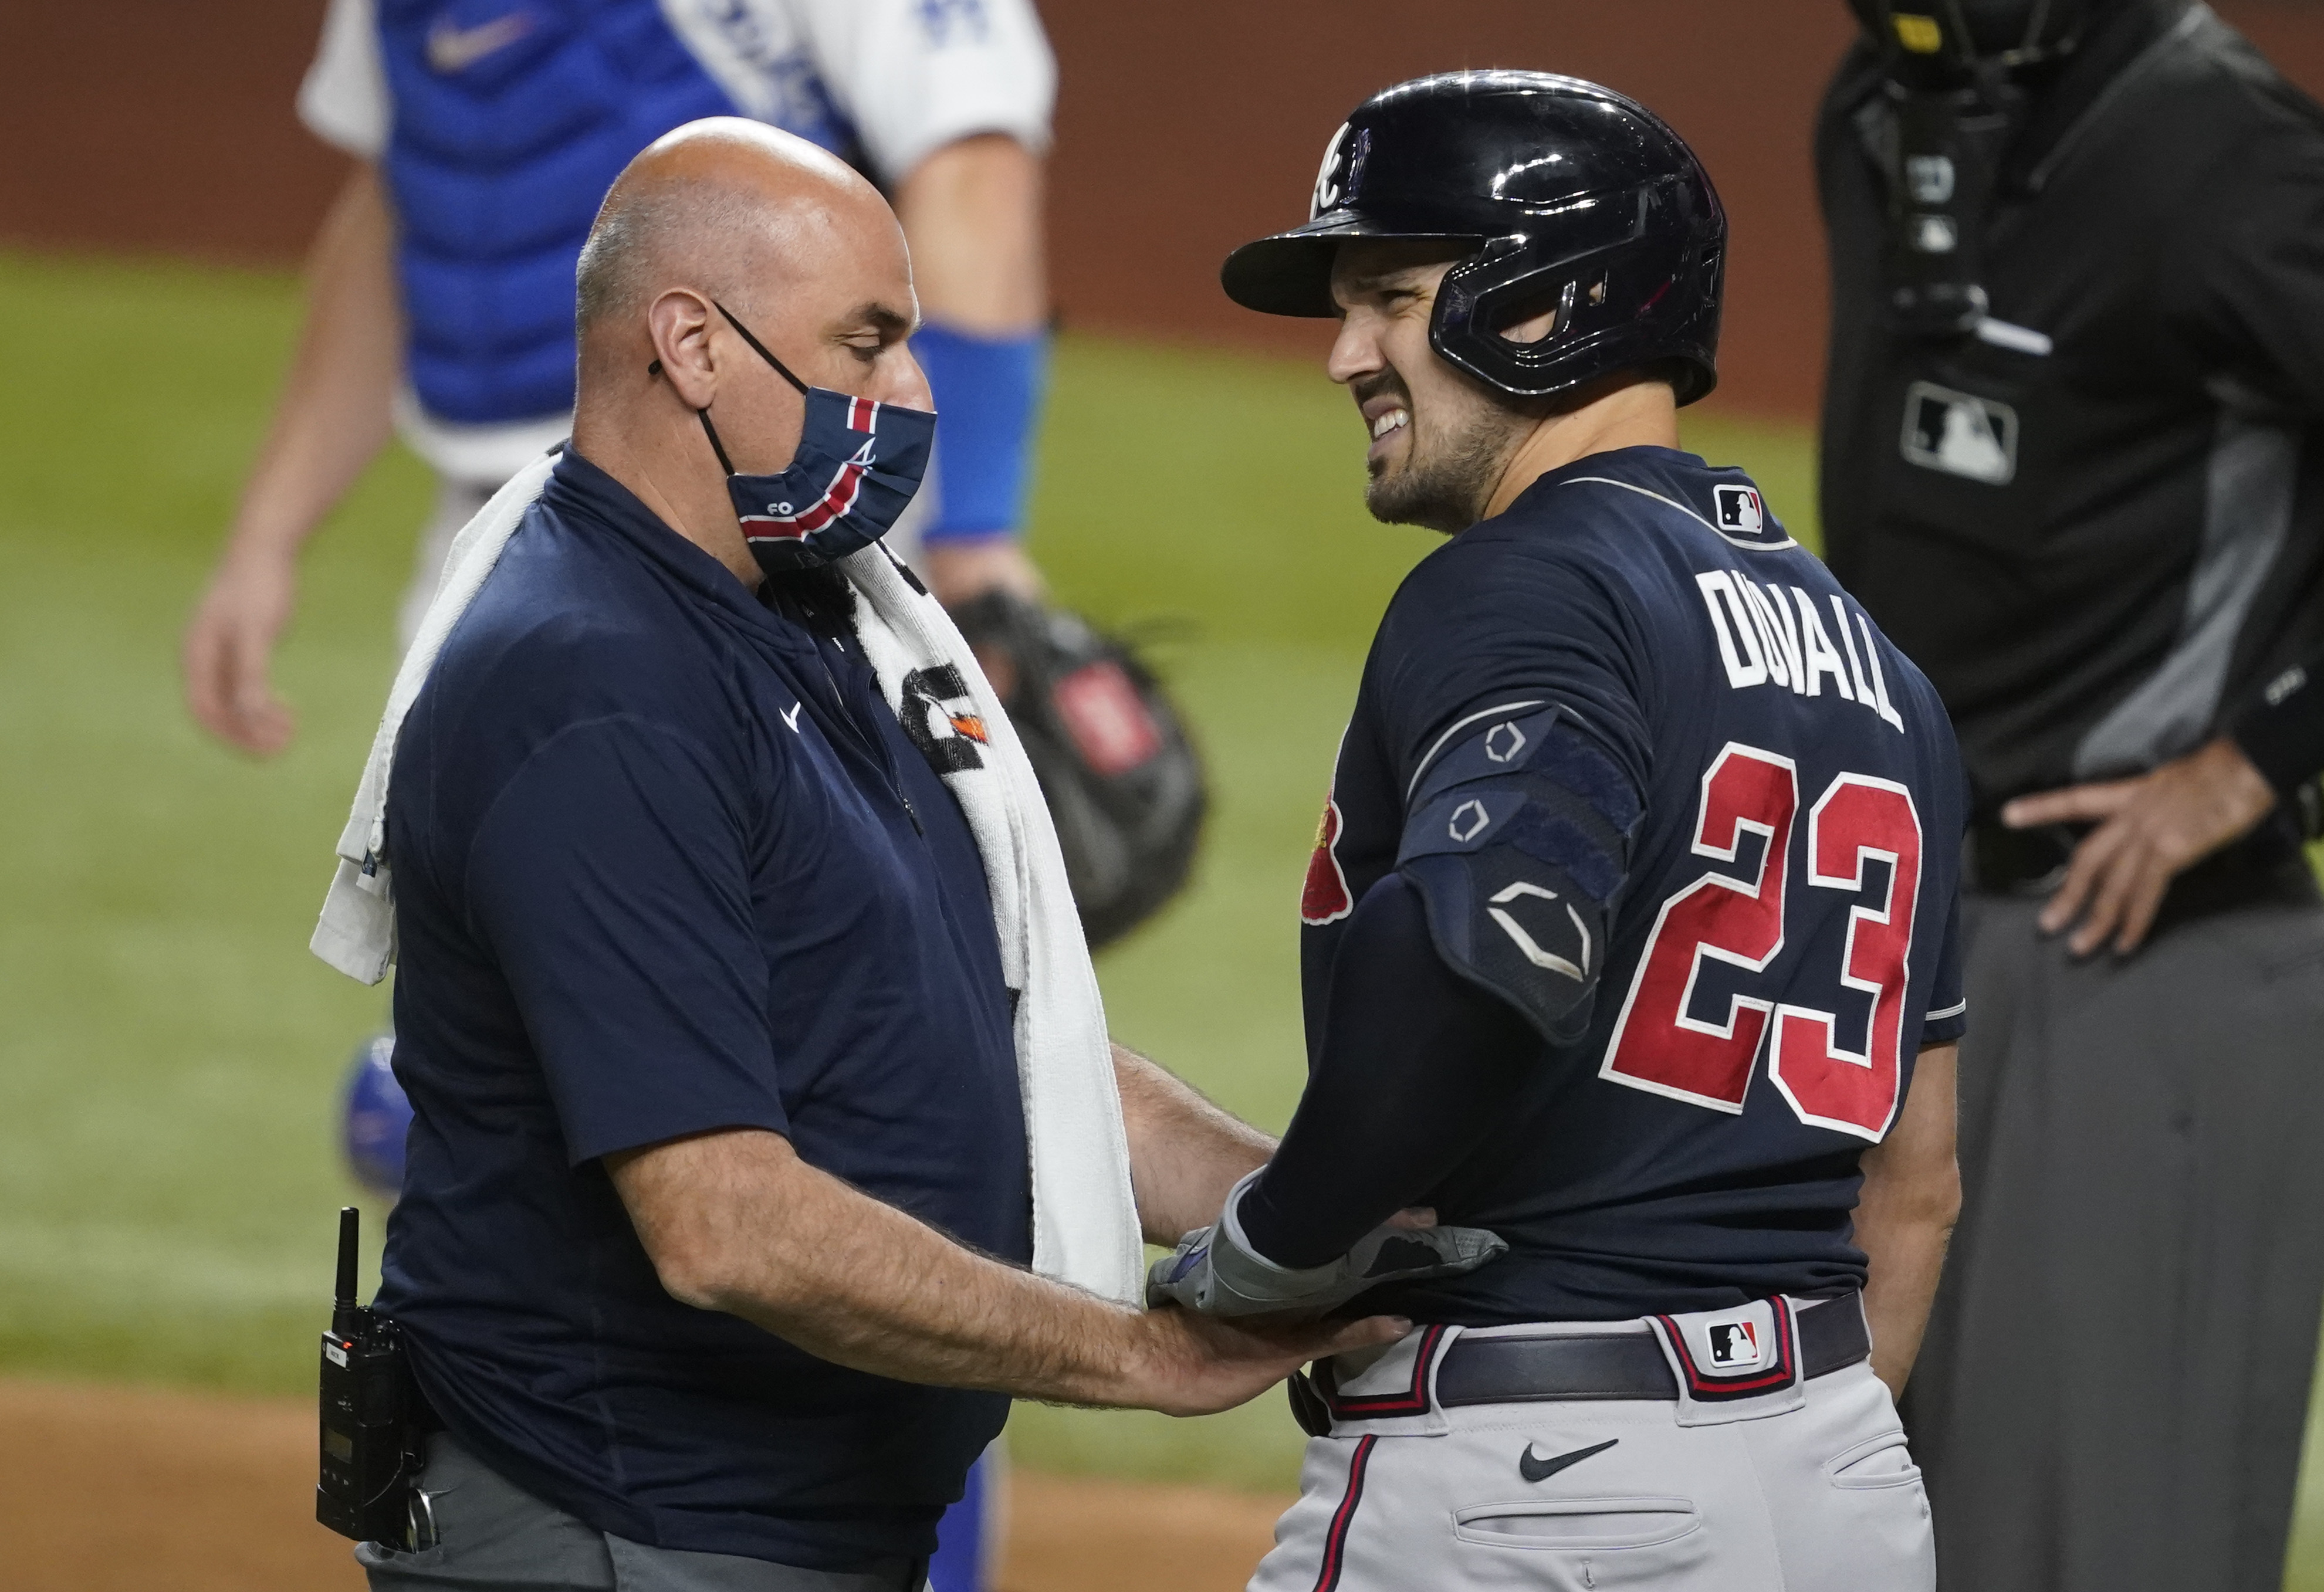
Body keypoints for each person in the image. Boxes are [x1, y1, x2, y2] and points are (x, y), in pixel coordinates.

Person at [309, 121, 1472, 1591]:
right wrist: (1154, 1353)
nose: (912, 396)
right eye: (867, 345)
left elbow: (996, 1046)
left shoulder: (815, 618)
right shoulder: (592, 692)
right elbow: (727, 1225)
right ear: (691, 343)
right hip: (621, 1533)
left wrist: (1332, 1215)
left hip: (760, 1533)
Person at [1150, 70, 1971, 1590]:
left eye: (1392, 296)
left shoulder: (1530, 583)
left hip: (1528, 1493)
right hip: (1834, 1479)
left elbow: (1485, 947)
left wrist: (1279, 1246)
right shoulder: (1881, 669)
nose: (1344, 355)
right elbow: (1915, 1185)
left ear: (1552, 303)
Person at [1815, 4, 2324, 1588]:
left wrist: (2259, 755)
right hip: (1885, 968)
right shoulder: (1884, 102)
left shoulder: (2231, 163)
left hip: (2121, 979)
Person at [184, 0, 1058, 757]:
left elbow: (972, 162)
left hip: (774, 533)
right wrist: (267, 536)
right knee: (489, 935)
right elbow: (423, 192)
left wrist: (976, 542)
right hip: (498, 541)